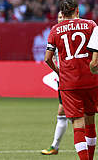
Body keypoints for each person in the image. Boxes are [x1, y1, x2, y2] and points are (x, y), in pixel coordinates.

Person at [44, 0, 98, 160]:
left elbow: (47, 58)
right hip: (91, 79)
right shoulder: (91, 25)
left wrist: (59, 71)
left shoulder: (55, 30)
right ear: (77, 10)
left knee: (77, 124)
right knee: (90, 121)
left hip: (69, 82)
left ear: (62, 12)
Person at [41, 11, 69, 155]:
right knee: (63, 112)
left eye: (62, 16)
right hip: (64, 80)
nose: (60, 19)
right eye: (58, 17)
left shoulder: (70, 35)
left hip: (73, 79)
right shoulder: (55, 34)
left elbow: (47, 58)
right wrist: (58, 72)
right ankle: (55, 146)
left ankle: (56, 146)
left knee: (81, 114)